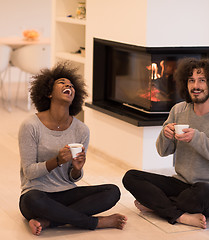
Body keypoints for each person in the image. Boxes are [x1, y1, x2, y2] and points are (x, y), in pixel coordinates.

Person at [122, 58, 209, 229]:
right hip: (182, 184)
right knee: (131, 177)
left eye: (202, 80)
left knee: (199, 194)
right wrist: (166, 134)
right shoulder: (179, 110)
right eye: (191, 80)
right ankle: (180, 215)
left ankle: (158, 205)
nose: (195, 86)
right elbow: (162, 151)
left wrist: (197, 138)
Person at [18, 62, 127, 236]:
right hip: (37, 194)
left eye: (71, 84)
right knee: (32, 200)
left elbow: (73, 178)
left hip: (67, 193)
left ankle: (48, 221)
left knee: (112, 191)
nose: (68, 85)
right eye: (62, 82)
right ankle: (95, 223)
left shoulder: (81, 130)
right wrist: (57, 161)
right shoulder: (31, 125)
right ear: (48, 93)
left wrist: (77, 169)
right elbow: (29, 172)